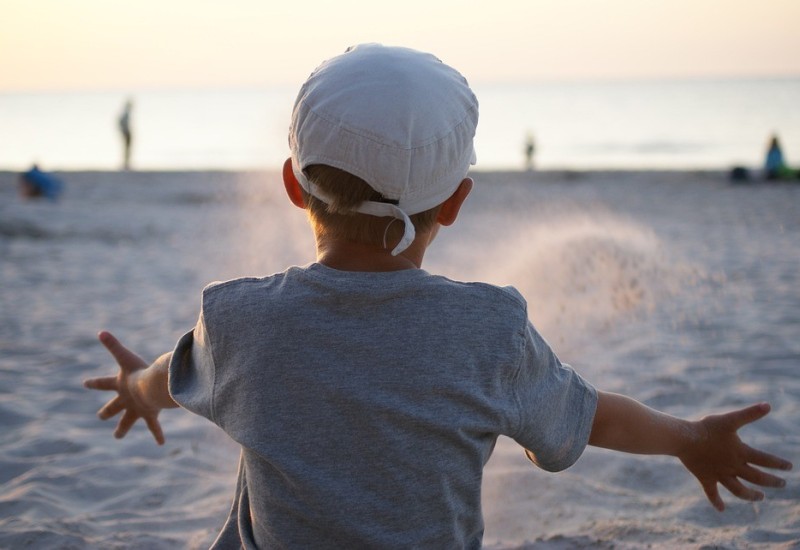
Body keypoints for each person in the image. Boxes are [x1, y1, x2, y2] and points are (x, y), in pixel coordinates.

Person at [84, 44, 792, 549]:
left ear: (294, 185)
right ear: (455, 203)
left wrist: (140, 389)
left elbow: (168, 380)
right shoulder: (487, 329)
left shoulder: (238, 319)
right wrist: (690, 439)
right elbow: (590, 417)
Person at [118, 99, 134, 170]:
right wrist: (124, 131)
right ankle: (126, 164)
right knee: (127, 149)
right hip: (126, 132)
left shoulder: (126, 113)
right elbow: (121, 122)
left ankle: (126, 163)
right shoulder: (125, 113)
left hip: (126, 132)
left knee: (127, 148)